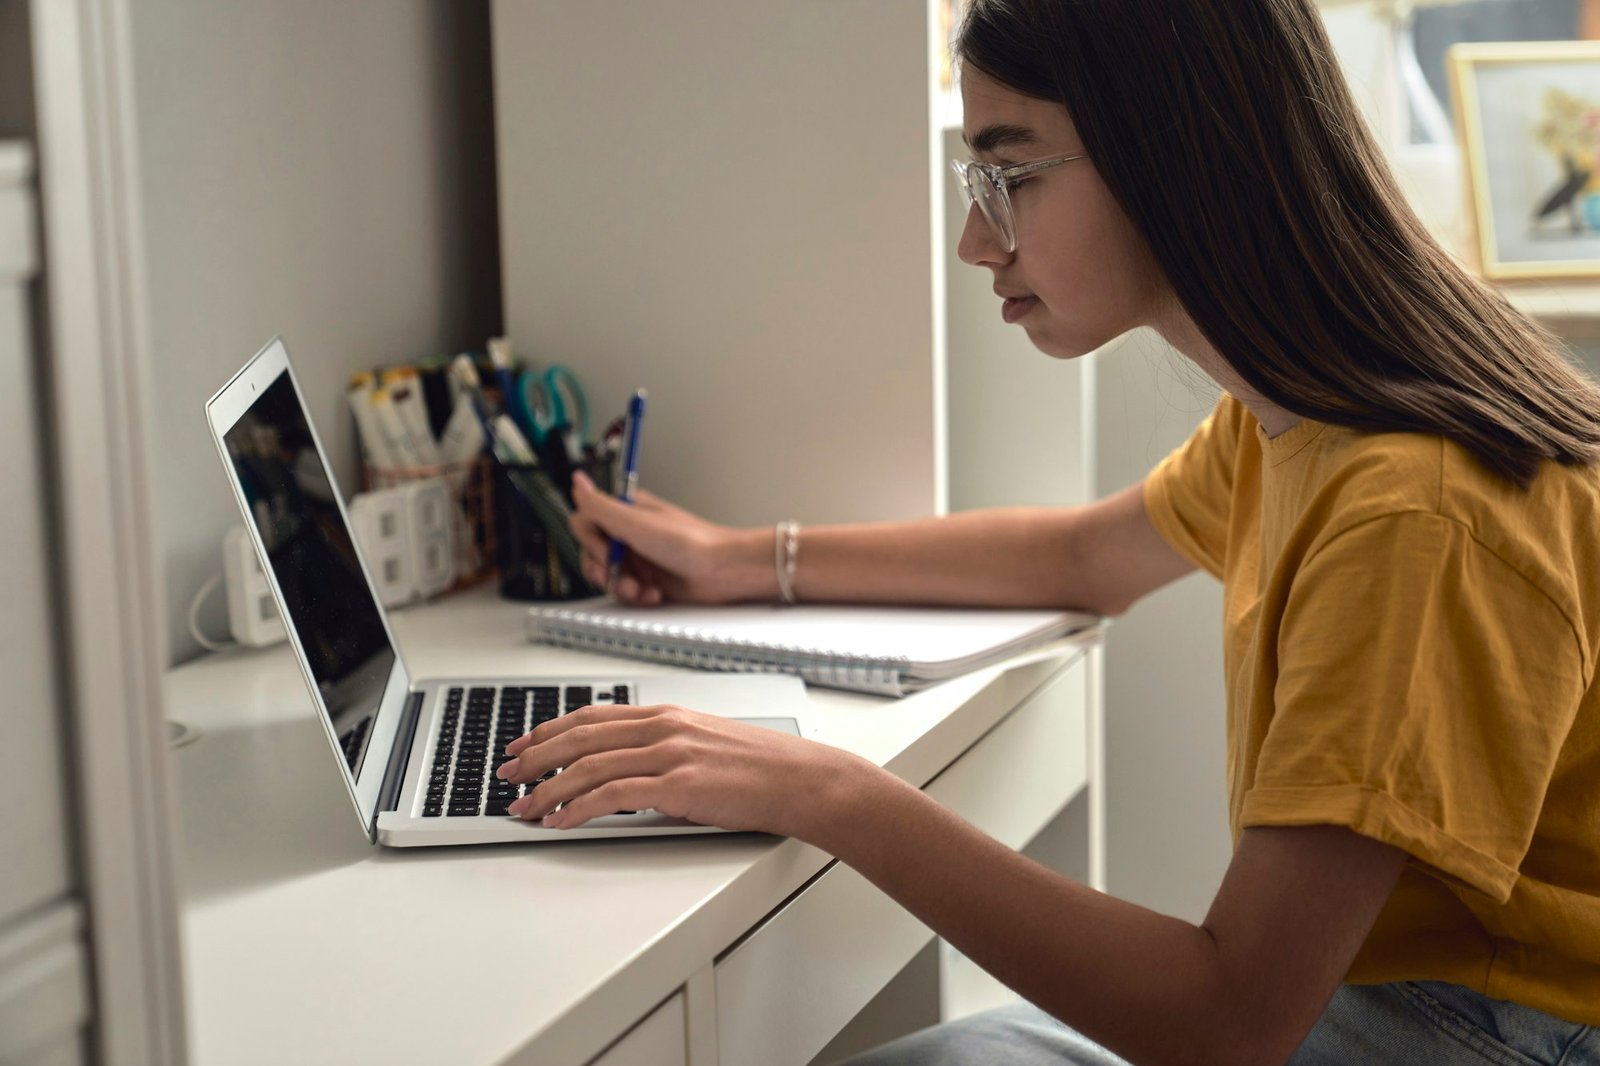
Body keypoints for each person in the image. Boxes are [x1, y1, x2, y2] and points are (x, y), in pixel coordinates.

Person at [493, 1, 1600, 1062]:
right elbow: (1080, 556)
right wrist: (744, 561)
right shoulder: (1297, 419)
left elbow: (1225, 1024)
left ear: (1177, 153)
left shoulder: (1412, 512)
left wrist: (825, 787)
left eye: (1011, 175)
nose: (979, 238)